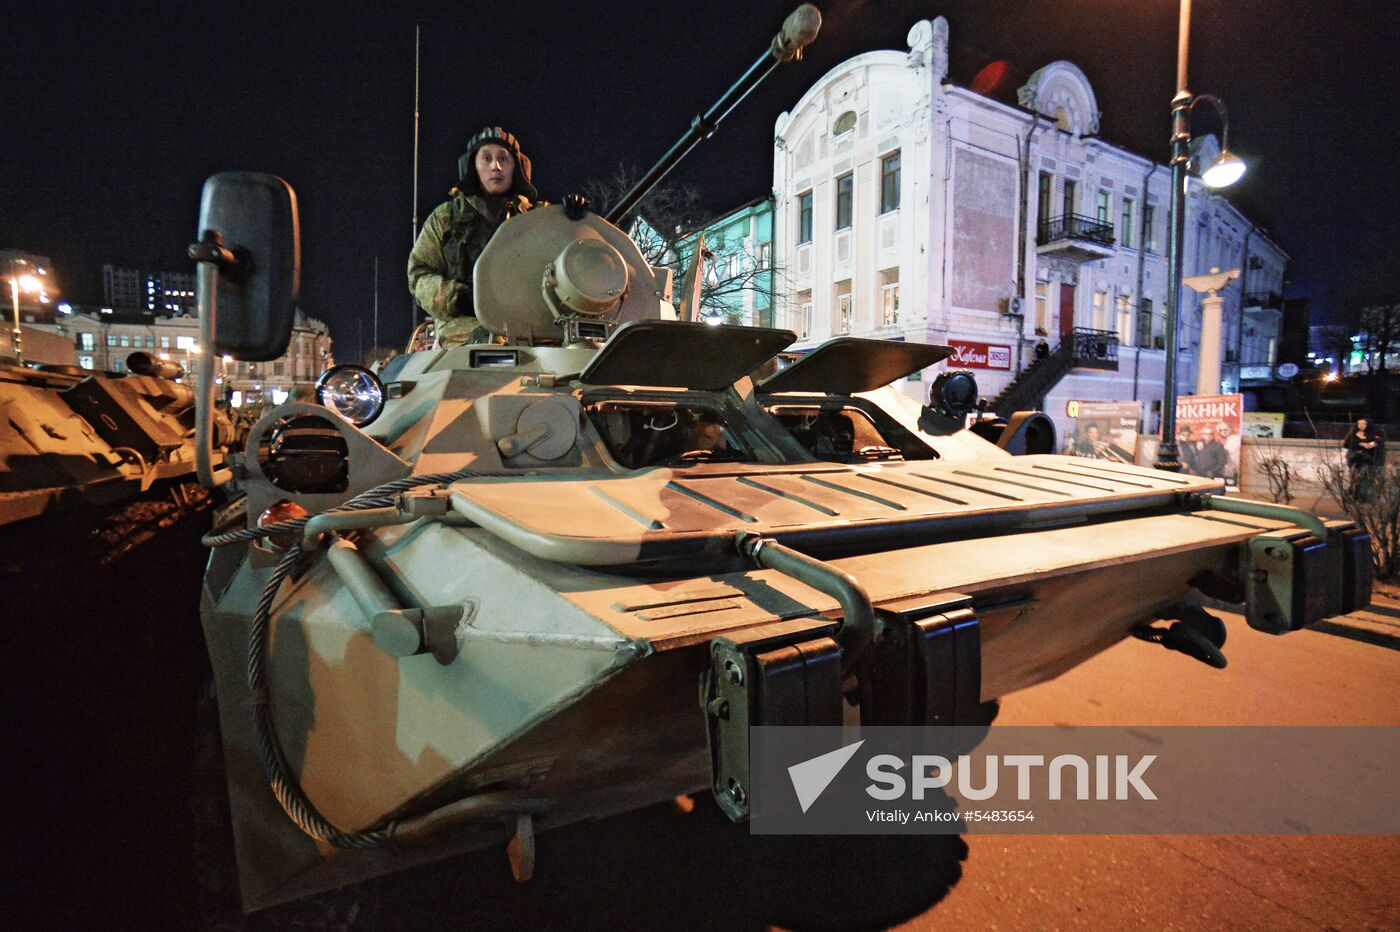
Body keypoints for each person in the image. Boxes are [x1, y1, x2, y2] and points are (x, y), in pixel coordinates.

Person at [407, 127, 543, 347]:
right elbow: (419, 273)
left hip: (530, 332)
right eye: (486, 158)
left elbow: (568, 262)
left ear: (516, 167)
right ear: (473, 166)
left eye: (503, 159)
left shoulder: (537, 218)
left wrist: (574, 219)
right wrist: (458, 299)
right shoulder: (446, 218)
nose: (495, 166)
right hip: (461, 333)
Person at [1343, 416, 1385, 499]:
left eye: (1364, 423)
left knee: (1362, 475)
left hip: (1366, 458)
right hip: (1353, 457)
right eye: (1359, 423)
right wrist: (1361, 444)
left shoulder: (1372, 433)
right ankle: (1353, 490)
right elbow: (1346, 444)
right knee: (1353, 475)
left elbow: (1379, 441)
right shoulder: (1353, 432)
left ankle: (1357, 493)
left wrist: (1372, 444)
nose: (1361, 425)